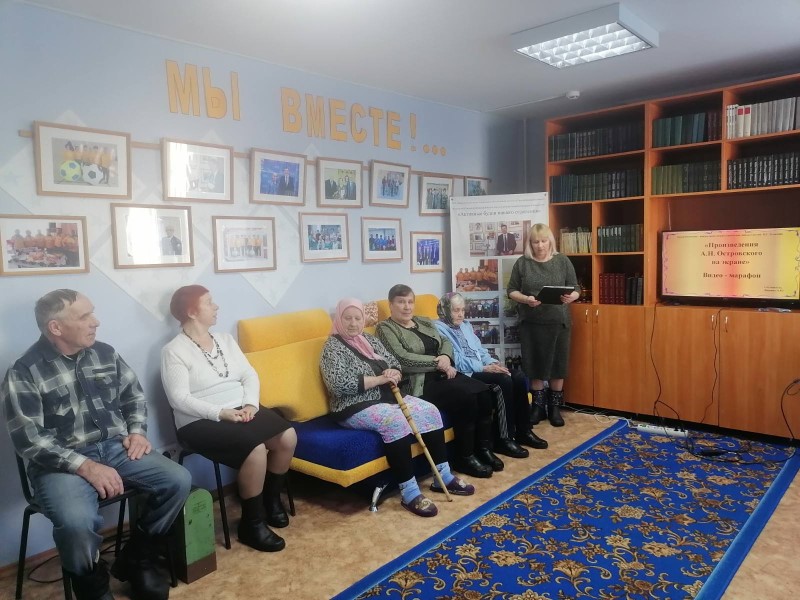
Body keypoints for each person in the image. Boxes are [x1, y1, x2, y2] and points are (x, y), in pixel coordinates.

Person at [1, 289, 192, 600]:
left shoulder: (105, 353)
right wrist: (86, 466)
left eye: (92, 313)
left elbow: (133, 396)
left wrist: (137, 432)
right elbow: (28, 438)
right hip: (60, 464)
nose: (96, 322)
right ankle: (93, 589)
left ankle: (137, 559)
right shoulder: (24, 372)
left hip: (115, 448)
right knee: (76, 523)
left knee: (177, 480)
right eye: (84, 316)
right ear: (56, 327)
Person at [161, 286, 297, 552]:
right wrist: (220, 413)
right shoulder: (173, 351)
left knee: (287, 437)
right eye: (209, 302)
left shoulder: (224, 339)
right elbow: (178, 399)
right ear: (191, 312)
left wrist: (250, 404)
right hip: (198, 420)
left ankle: (270, 501)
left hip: (240, 408)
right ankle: (251, 524)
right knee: (255, 449)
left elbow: (249, 374)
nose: (216, 307)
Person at [320, 298, 475, 518]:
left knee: (429, 411)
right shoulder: (332, 347)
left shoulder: (369, 339)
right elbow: (338, 385)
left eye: (357, 318)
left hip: (388, 398)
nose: (353, 323)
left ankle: (443, 477)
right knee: (395, 421)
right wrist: (379, 379)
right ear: (339, 319)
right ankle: (409, 492)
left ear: (363, 320)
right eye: (347, 318)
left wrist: (394, 372)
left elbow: (393, 362)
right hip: (353, 406)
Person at [376, 285, 502, 478]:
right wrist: (438, 363)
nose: (407, 307)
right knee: (466, 397)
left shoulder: (423, 321)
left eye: (410, 302)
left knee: (483, 392)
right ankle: (464, 457)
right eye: (401, 302)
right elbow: (401, 359)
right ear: (390, 305)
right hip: (419, 384)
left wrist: (445, 356)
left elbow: (446, 341)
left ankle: (483, 449)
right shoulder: (386, 328)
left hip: (444, 373)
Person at [434, 293, 548, 456]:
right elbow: (456, 361)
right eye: (456, 310)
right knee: (504, 380)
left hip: (481, 367)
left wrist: (493, 363)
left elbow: (480, 350)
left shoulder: (465, 325)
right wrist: (484, 368)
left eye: (463, 310)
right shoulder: (438, 329)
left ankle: (524, 431)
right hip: (466, 374)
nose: (461, 314)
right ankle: (504, 439)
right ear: (445, 310)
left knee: (517, 376)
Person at [507, 223, 580, 427]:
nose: (540, 245)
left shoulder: (562, 261)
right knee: (534, 364)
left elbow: (576, 288)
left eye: (544, 241)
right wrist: (526, 299)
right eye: (535, 242)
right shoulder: (523, 263)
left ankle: (554, 408)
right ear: (530, 243)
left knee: (558, 365)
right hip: (531, 324)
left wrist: (571, 297)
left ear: (550, 241)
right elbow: (511, 290)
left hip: (558, 323)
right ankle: (538, 407)